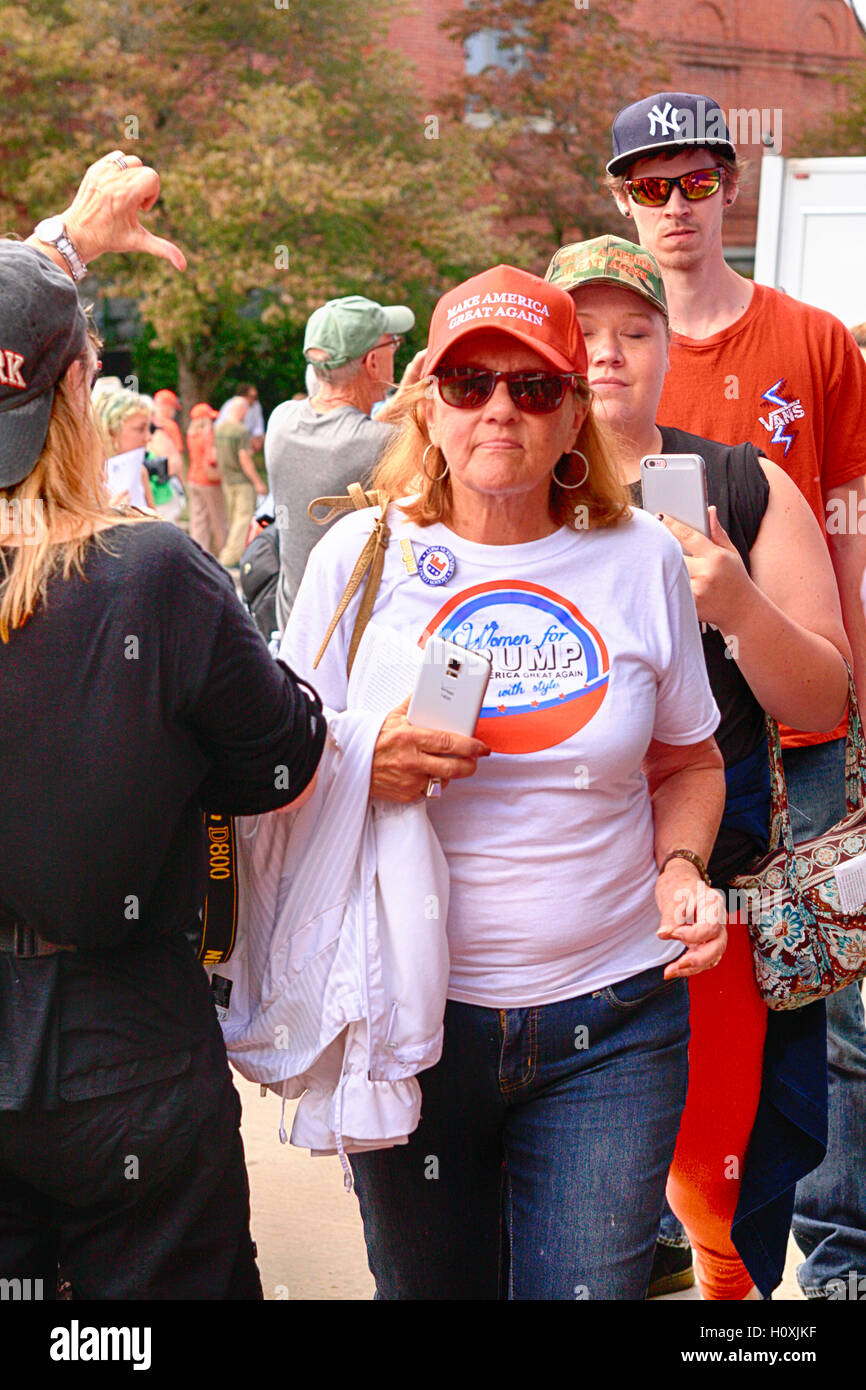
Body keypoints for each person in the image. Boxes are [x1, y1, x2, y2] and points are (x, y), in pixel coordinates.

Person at [281, 263, 727, 1300]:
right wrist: (358, 760)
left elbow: (688, 757)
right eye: (470, 382)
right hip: (409, 1017)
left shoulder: (639, 560)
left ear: (574, 414)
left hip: (610, 1020)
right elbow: (272, 771)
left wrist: (678, 865)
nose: (498, 410)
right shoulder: (360, 556)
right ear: (424, 402)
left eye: (532, 388)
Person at [0, 152, 325, 1298]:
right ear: (82, 395)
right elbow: (282, 754)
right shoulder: (149, 572)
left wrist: (65, 251)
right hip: (126, 1047)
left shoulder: (150, 573)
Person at [545, 234, 850, 1298]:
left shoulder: (740, 483)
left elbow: (821, 698)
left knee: (720, 1204)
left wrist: (734, 604)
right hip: (544, 915)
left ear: (669, 350)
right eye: (581, 332)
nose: (608, 354)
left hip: (712, 909)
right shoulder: (496, 491)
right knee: (572, 1216)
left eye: (635, 331)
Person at [606, 88, 866, 1301]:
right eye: (646, 186)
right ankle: (671, 1230)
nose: (673, 206)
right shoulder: (580, 369)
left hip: (788, 735)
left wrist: (845, 694)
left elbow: (846, 536)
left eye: (692, 181)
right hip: (636, 754)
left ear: (728, 184)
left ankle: (828, 1254)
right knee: (655, 1020)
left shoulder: (811, 341)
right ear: (620, 201)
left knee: (816, 997)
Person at [265, 294, 416, 633]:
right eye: (393, 343)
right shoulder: (377, 443)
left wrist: (401, 394)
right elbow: (369, 439)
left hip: (295, 633)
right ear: (373, 363)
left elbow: (351, 434)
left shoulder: (281, 422)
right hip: (348, 644)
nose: (398, 349)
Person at [215, 395, 267, 569]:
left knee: (233, 519)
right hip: (242, 481)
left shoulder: (220, 428)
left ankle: (231, 553)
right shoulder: (241, 431)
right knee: (243, 520)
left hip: (227, 479)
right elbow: (244, 458)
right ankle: (229, 558)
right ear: (242, 410)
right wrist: (258, 482)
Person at [93, 385, 156, 510]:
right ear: (111, 431)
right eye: (140, 429)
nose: (149, 437)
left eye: (149, 428)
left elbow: (156, 520)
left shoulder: (141, 472)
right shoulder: (86, 477)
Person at [186, 402, 228, 557]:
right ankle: (224, 553)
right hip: (209, 481)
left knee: (198, 521)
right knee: (219, 520)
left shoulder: (191, 435)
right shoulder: (208, 435)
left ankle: (198, 554)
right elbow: (212, 458)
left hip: (193, 479)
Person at [217, 383, 265, 450]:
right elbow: (221, 425)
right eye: (252, 396)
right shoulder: (231, 404)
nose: (254, 399)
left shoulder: (256, 405)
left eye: (255, 397)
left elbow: (259, 424)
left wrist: (257, 437)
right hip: (231, 436)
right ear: (243, 396)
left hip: (247, 435)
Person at [151, 387, 185, 478]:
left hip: (154, 473)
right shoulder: (170, 425)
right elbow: (178, 454)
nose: (174, 413)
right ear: (168, 407)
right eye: (174, 408)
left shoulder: (148, 423)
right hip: (170, 474)